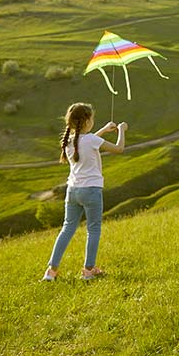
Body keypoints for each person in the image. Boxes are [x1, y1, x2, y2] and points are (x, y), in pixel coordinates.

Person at [42, 102, 128, 281]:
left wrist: (103, 130)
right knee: (93, 229)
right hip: (91, 191)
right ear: (87, 121)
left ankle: (51, 271)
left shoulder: (69, 141)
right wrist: (121, 130)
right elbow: (119, 149)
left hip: (73, 191)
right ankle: (89, 271)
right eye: (93, 119)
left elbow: (87, 142)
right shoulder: (90, 140)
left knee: (67, 229)